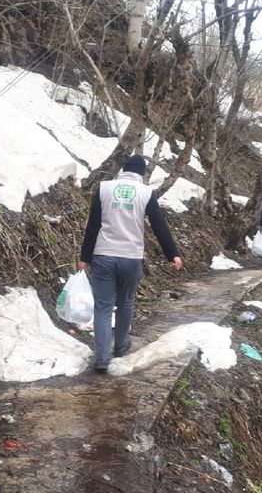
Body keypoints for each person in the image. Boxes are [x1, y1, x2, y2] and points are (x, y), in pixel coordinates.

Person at [78, 155, 182, 374]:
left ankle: (102, 358)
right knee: (125, 303)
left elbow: (93, 225)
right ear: (142, 173)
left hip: (104, 254)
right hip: (131, 257)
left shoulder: (104, 189)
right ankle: (121, 345)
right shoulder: (146, 193)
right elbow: (159, 226)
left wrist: (85, 257)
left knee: (103, 307)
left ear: (124, 169)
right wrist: (172, 254)